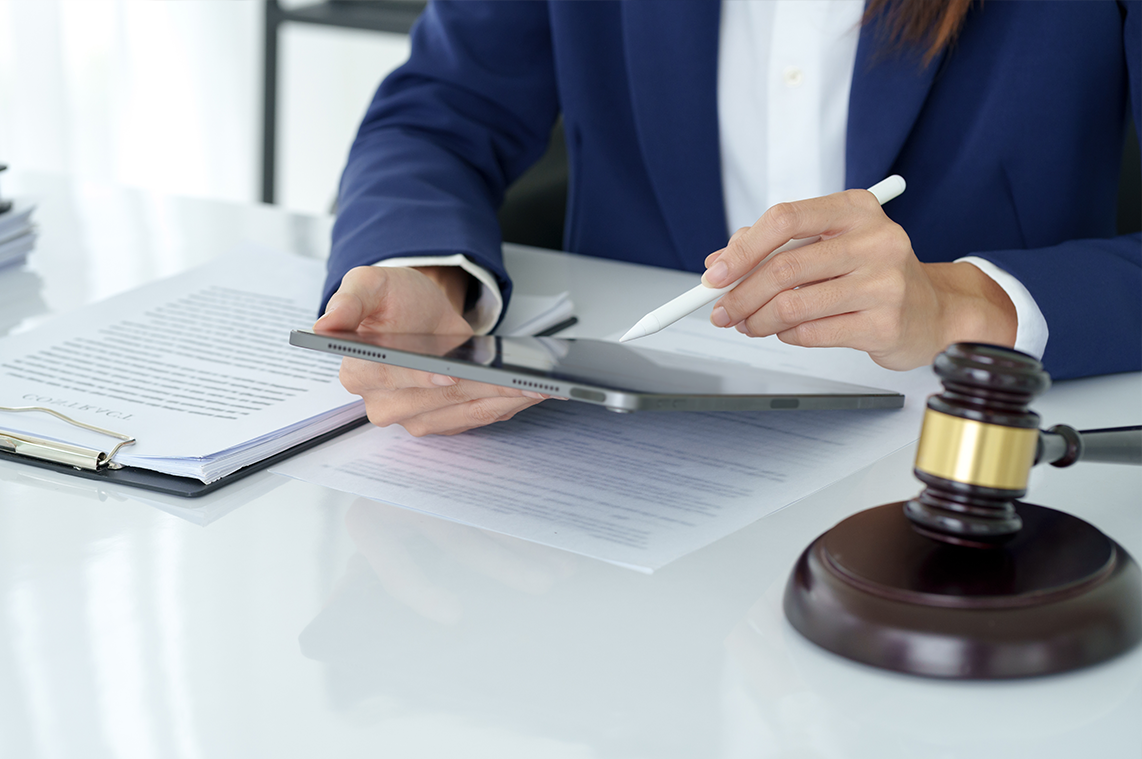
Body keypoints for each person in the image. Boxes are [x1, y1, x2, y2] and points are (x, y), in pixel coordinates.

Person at [315, 0, 1141, 437]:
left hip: (974, 452)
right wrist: (419, 269)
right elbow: (441, 111)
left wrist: (966, 305)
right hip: (608, 456)